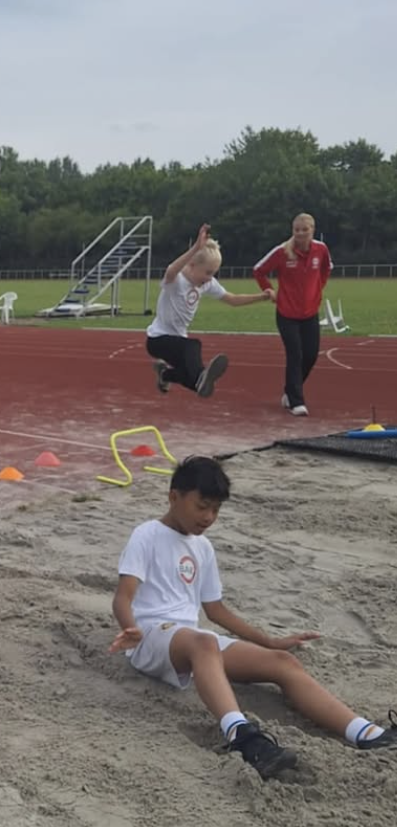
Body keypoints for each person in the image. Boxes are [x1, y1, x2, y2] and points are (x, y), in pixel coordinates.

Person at [110, 456, 397, 779]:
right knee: (203, 642)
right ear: (174, 497)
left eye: (216, 510)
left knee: (283, 663)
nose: (208, 517)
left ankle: (367, 733)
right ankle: (242, 736)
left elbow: (215, 610)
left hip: (190, 640)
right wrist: (130, 628)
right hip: (150, 636)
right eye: (202, 507)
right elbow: (123, 597)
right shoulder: (147, 534)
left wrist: (270, 641)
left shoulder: (202, 547)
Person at [147, 224, 274, 398]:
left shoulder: (207, 283)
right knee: (193, 346)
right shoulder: (176, 280)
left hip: (178, 341)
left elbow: (232, 299)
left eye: (213, 273)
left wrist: (261, 297)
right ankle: (201, 375)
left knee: (192, 380)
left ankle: (165, 375)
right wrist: (195, 248)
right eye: (207, 272)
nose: (210, 278)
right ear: (192, 265)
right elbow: (170, 270)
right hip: (157, 339)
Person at [253, 213, 332, 417]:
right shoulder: (282, 252)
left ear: (312, 230)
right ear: (292, 231)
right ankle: (296, 401)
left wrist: (319, 287)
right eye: (297, 230)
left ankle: (290, 390)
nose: (300, 233)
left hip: (310, 313)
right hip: (287, 313)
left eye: (305, 229)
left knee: (311, 355)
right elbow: (258, 270)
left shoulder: (321, 249)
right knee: (295, 354)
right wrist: (268, 289)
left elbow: (327, 268)